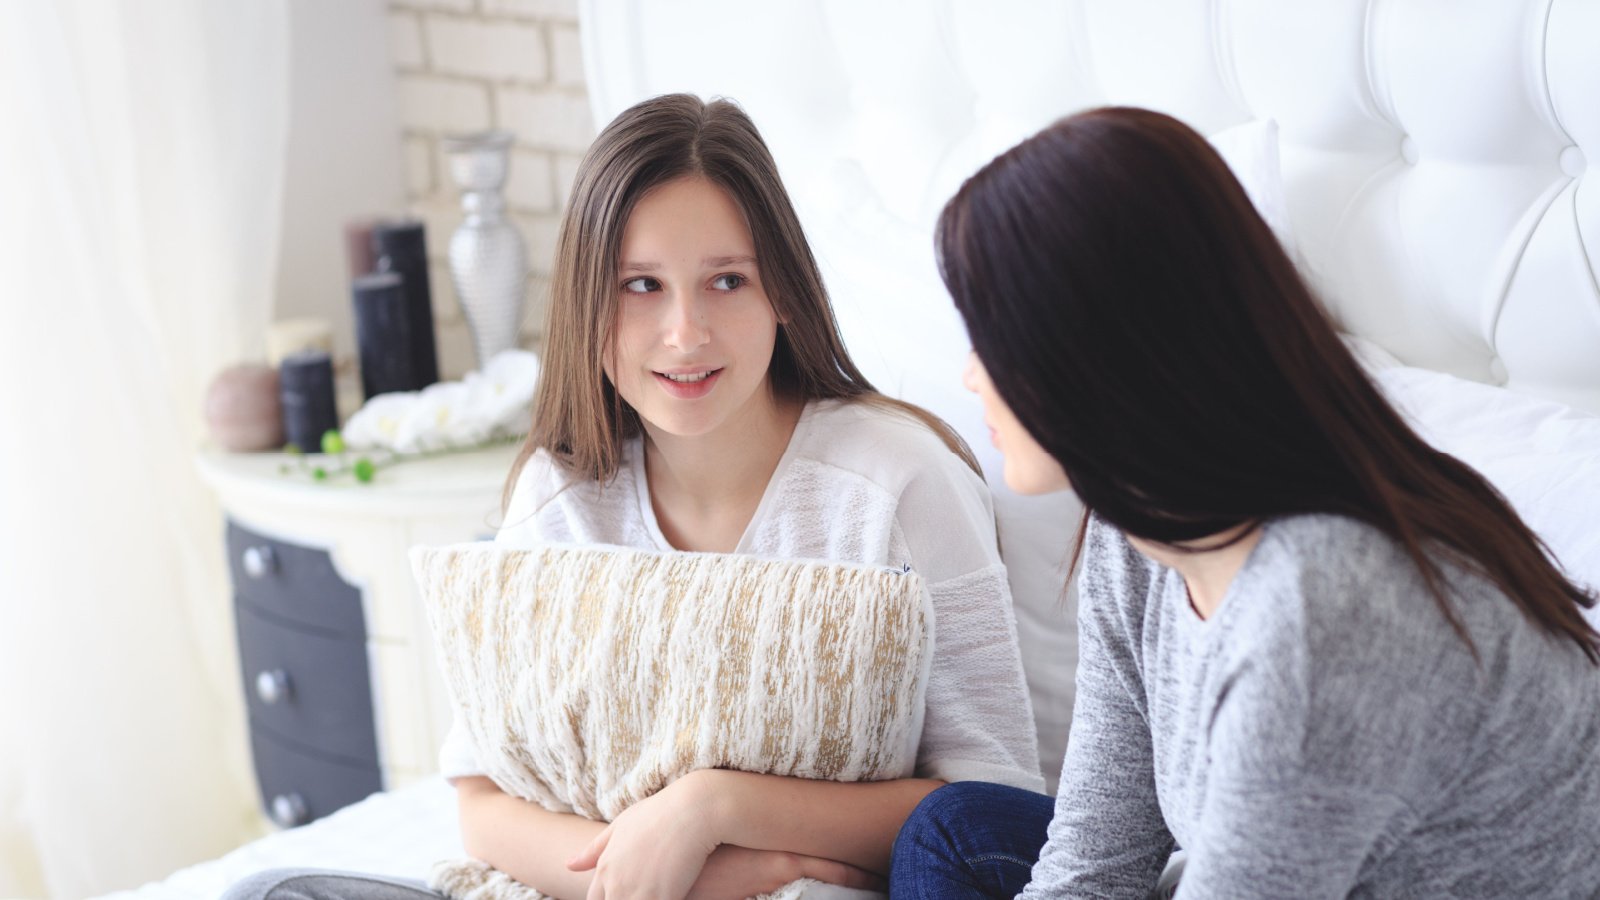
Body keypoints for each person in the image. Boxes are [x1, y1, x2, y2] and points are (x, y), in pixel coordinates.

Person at [224, 94, 1042, 900]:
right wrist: (688, 875)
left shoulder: (898, 482)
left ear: (783, 292)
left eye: (727, 280)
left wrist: (713, 807)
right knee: (267, 891)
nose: (686, 332)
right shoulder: (561, 495)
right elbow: (480, 800)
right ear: (588, 305)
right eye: (641, 286)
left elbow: (989, 805)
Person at [889, 106, 1600, 899]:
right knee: (954, 830)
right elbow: (1092, 863)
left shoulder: (1324, 607)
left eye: (992, 336)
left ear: (1089, 346)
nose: (970, 376)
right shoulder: (1139, 528)